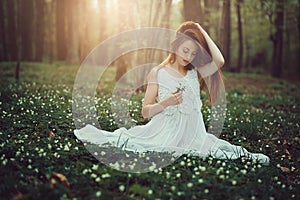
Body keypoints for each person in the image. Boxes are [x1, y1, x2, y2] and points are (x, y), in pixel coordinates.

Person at [74, 21, 270, 167]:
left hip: (194, 133)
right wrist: (165, 103)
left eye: (193, 54)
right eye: (185, 50)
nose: (188, 57)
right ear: (175, 47)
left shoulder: (194, 72)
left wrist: (199, 28)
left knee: (216, 148)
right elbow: (145, 112)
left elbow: (219, 60)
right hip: (166, 131)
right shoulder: (157, 73)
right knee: (139, 141)